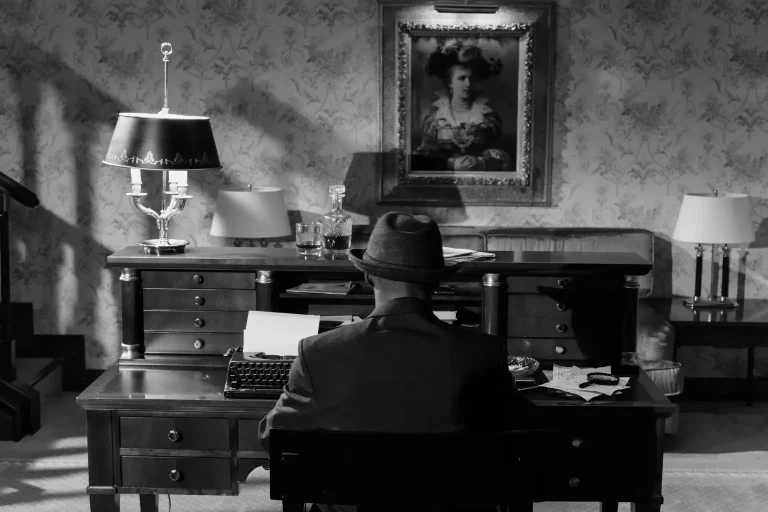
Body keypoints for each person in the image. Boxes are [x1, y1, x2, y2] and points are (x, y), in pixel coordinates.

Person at [258, 212, 532, 512]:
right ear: (436, 281)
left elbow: (276, 440)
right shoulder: (482, 352)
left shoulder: (318, 351)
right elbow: (519, 434)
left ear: (368, 275)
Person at [413, 41, 513, 172]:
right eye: (462, 78)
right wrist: (451, 164)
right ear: (450, 82)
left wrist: (480, 162)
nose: (468, 84)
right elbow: (420, 159)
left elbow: (502, 158)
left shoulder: (490, 119)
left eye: (471, 78)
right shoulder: (434, 119)